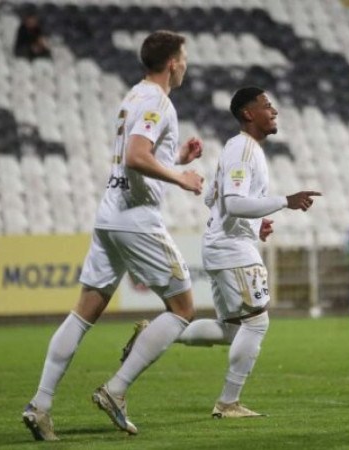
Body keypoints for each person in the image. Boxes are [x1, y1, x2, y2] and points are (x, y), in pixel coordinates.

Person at [22, 30, 204, 441]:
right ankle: (116, 390)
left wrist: (176, 158)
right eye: (185, 57)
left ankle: (41, 404)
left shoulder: (133, 96)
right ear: (173, 62)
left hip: (110, 214)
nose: (186, 64)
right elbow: (136, 156)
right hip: (136, 219)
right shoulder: (158, 101)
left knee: (84, 311)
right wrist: (182, 177)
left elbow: (138, 158)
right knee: (182, 308)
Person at [121, 87, 321, 419]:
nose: (274, 112)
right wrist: (287, 200)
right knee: (257, 324)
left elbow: (213, 200)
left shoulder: (238, 148)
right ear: (248, 114)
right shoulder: (243, 149)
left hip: (224, 244)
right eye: (266, 106)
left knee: (232, 329)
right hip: (232, 250)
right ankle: (228, 402)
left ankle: (154, 336)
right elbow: (234, 203)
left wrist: (257, 228)